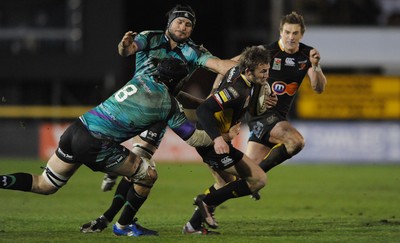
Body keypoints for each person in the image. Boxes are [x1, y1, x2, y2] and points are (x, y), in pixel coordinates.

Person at [0, 57, 238, 237]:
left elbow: (172, 97)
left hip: (76, 130)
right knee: (148, 175)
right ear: (177, 81)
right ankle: (124, 226)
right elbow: (194, 138)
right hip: (96, 144)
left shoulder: (141, 78)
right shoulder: (167, 105)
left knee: (45, 184)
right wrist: (224, 136)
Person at [79, 4, 237, 235]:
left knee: (140, 166)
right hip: (137, 105)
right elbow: (129, 49)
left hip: (162, 110)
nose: (183, 27)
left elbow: (221, 66)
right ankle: (115, 218)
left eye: (188, 24)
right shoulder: (150, 38)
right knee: (139, 167)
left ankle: (111, 216)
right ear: (170, 22)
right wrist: (124, 45)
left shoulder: (193, 51)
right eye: (179, 22)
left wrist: (249, 68)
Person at [184, 11, 328, 234]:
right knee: (295, 142)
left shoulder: (307, 55)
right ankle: (255, 176)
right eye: (287, 32)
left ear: (301, 34)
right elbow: (227, 66)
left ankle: (195, 221)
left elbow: (318, 88)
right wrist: (215, 93)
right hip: (262, 114)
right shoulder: (263, 53)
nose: (291, 37)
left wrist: (316, 66)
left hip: (275, 116)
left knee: (233, 181)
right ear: (280, 31)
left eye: (295, 33)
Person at [182, 46, 271, 235]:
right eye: (263, 71)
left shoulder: (238, 72)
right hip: (212, 141)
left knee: (225, 184)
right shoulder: (236, 91)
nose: (266, 75)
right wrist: (218, 140)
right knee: (258, 179)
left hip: (217, 138)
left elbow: (228, 70)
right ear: (248, 71)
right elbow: (203, 110)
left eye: (268, 70)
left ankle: (192, 227)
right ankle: (206, 201)